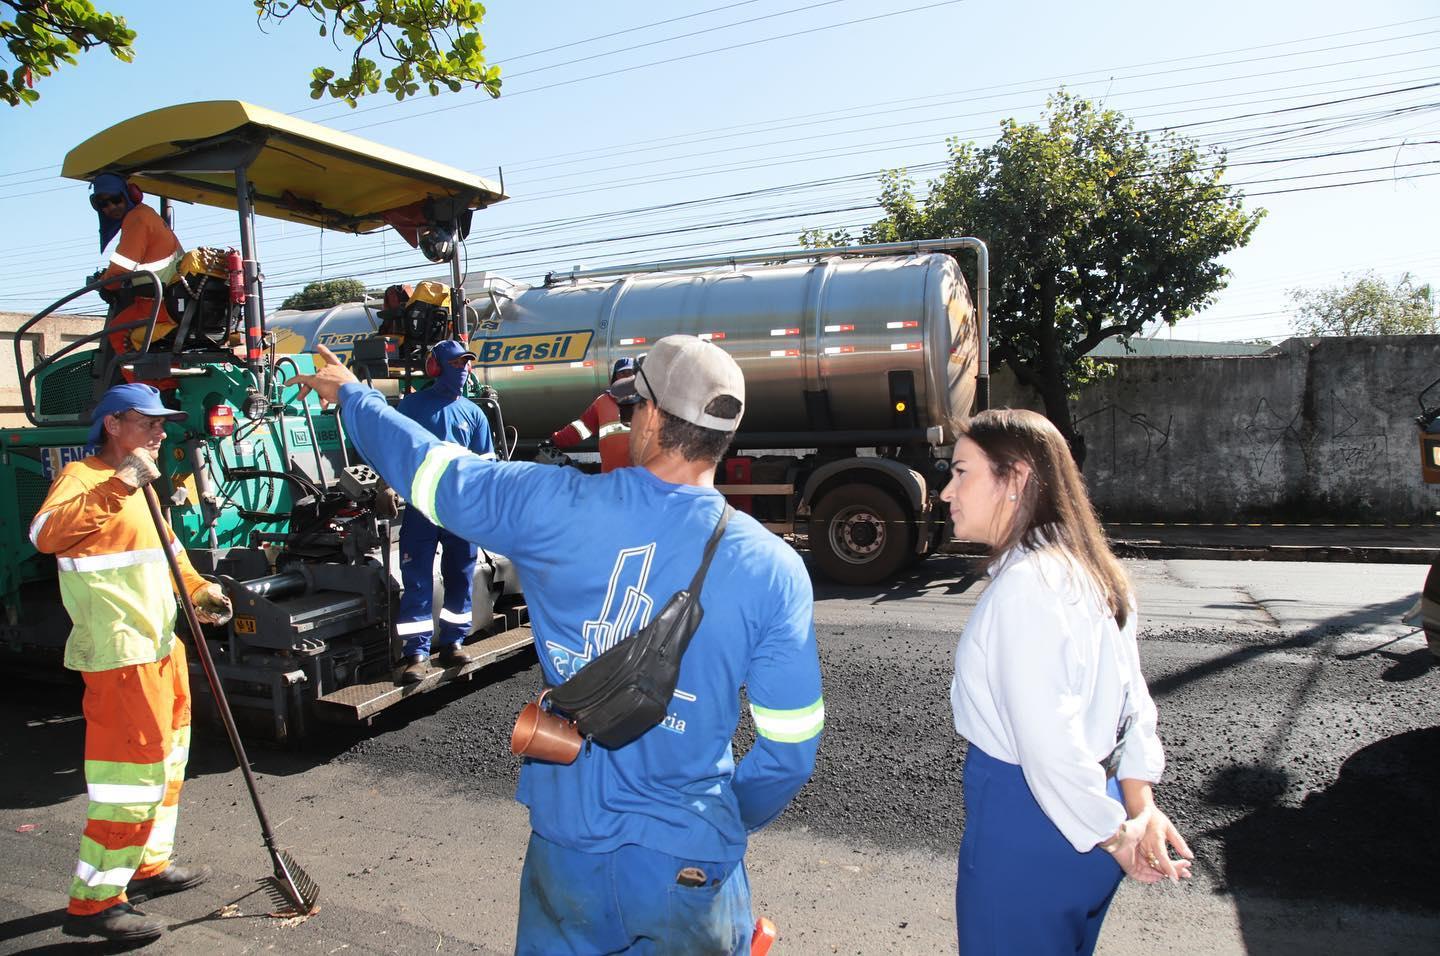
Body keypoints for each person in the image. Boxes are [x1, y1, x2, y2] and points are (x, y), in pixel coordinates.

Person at [296, 335, 823, 955]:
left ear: (648, 416)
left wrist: (353, 397)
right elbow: (789, 749)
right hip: (691, 861)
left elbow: (432, 470)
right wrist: (718, 818)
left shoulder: (551, 504)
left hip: (570, 846)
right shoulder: (772, 566)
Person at [942, 408, 1193, 955]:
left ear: (1016, 479)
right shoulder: (1090, 568)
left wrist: (1114, 832)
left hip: (1033, 829)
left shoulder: (1026, 588)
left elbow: (1048, 745)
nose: (945, 491)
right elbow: (1135, 707)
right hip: (1091, 816)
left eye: (961, 472)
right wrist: (1137, 805)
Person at [30, 383, 233, 944]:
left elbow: (168, 549)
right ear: (114, 425)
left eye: (162, 425)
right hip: (120, 655)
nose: (160, 434)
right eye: (149, 424)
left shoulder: (144, 487)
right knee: (130, 780)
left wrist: (197, 589)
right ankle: (95, 903)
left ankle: (148, 866)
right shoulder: (87, 479)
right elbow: (45, 536)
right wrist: (119, 486)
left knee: (168, 765)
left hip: (160, 648)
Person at [394, 339, 498, 682]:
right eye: (456, 364)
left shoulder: (474, 414)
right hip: (422, 507)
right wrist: (386, 487)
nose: (464, 370)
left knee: (460, 576)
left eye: (467, 363)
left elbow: (486, 466)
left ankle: (453, 642)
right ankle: (417, 653)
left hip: (460, 511)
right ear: (434, 367)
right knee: (418, 579)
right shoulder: (411, 407)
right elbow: (393, 451)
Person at [89, 174, 184, 371]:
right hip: (168, 298)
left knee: (117, 332)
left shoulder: (137, 219)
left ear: (128, 195)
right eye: (103, 204)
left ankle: (142, 391)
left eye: (116, 199)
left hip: (158, 303)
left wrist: (106, 284)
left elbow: (121, 267)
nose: (111, 207)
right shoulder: (147, 215)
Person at [540, 357, 639, 472]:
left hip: (640, 474)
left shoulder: (647, 401)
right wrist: (555, 440)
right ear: (615, 377)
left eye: (630, 372)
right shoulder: (602, 402)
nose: (626, 376)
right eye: (622, 373)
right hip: (612, 475)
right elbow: (582, 427)